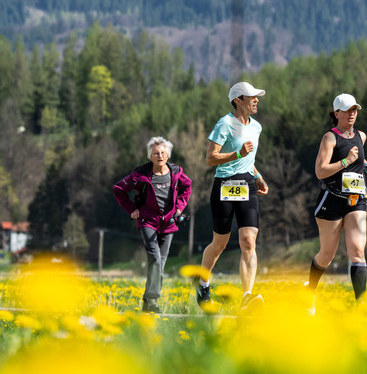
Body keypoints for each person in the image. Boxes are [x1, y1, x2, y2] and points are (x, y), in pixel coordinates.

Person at [195, 81, 270, 309]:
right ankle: (202, 283)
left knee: (249, 240)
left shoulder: (256, 127)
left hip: (247, 184)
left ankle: (247, 296)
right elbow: (210, 159)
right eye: (251, 97)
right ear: (238, 100)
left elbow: (250, 159)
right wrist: (237, 153)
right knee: (220, 243)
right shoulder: (224, 124)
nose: (256, 100)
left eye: (257, 96)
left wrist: (258, 177)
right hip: (225, 184)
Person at [307, 93, 367, 305]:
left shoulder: (361, 136)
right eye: (347, 110)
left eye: (355, 110)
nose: (352, 114)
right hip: (332, 199)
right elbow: (320, 171)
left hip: (356, 200)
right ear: (336, 113)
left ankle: (361, 306)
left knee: (357, 250)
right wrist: (346, 161)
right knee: (327, 255)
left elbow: (358, 160)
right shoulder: (330, 138)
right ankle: (309, 291)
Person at [113, 136, 192, 313]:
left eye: (163, 152)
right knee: (155, 258)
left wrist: (179, 209)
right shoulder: (140, 175)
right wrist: (132, 209)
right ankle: (153, 301)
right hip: (147, 221)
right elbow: (118, 189)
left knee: (159, 263)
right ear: (150, 156)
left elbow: (187, 187)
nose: (160, 156)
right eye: (156, 153)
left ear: (168, 155)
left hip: (169, 223)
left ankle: (148, 300)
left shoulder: (176, 172)